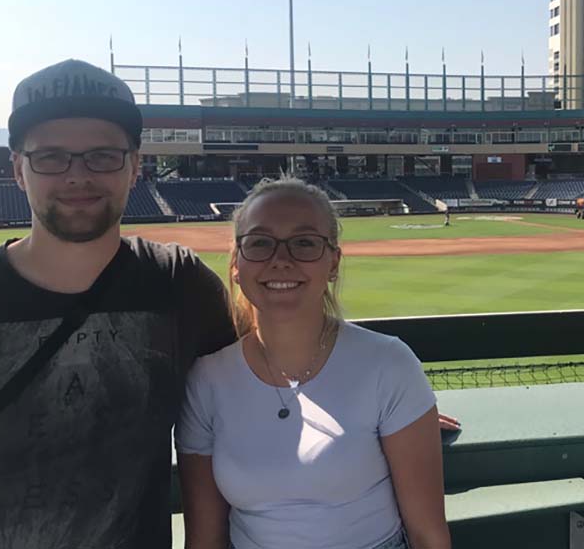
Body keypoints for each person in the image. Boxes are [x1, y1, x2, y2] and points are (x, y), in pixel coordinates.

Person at [0, 59, 240, 548]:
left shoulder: (180, 285)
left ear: (135, 166)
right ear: (18, 169)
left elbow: (226, 440)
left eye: (102, 156)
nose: (77, 176)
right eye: (50, 157)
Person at [176, 178, 450, 549]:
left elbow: (428, 536)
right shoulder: (207, 381)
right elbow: (204, 539)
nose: (281, 260)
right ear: (236, 264)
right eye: (260, 243)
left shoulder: (388, 364)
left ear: (333, 262)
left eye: (304, 243)